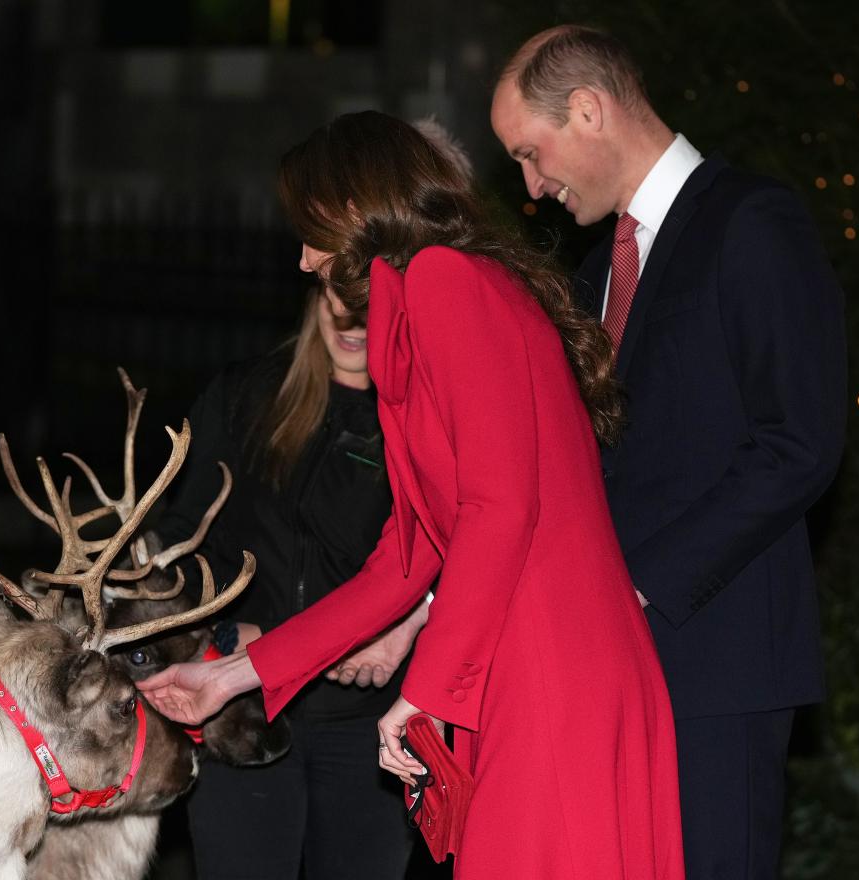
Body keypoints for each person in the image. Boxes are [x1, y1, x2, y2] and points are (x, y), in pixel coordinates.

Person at [139, 110, 685, 879]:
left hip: (554, 670)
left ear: (356, 213)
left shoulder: (443, 281)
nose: (302, 260)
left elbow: (501, 508)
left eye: (311, 230)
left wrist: (428, 692)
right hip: (530, 664)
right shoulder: (419, 307)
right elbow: (406, 555)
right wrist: (231, 677)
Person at [490, 25, 846, 879]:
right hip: (613, 668)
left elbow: (800, 443)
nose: (532, 188)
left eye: (531, 155)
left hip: (719, 668)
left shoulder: (750, 221)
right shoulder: (596, 271)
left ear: (587, 110)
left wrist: (636, 582)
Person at [155, 286, 428, 878]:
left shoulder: (422, 419)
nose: (353, 317)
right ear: (313, 291)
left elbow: (460, 549)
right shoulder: (244, 395)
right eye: (339, 293)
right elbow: (176, 543)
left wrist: (409, 622)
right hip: (240, 710)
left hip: (368, 724)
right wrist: (223, 628)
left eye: (373, 297)